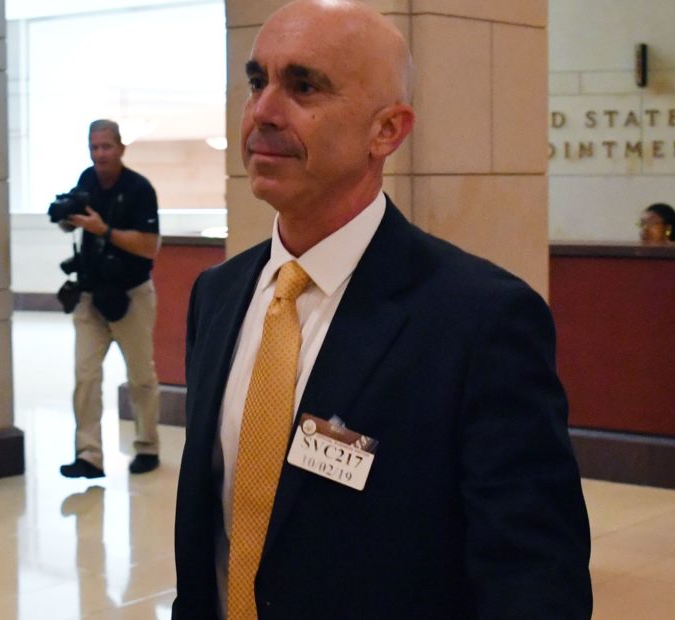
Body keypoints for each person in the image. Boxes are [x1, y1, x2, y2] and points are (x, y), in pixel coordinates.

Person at [172, 1, 592, 618]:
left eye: (304, 85)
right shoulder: (220, 294)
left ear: (387, 131)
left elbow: (533, 576)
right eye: (257, 81)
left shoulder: (479, 320)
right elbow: (214, 534)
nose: (262, 111)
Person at [58, 119, 161, 478]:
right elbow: (75, 221)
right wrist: (67, 219)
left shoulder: (139, 189)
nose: (99, 154)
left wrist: (105, 231)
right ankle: (88, 455)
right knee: (85, 376)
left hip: (131, 294)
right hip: (90, 293)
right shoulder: (87, 180)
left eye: (106, 147)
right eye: (94, 147)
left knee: (140, 377)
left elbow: (150, 247)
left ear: (120, 148)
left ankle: (147, 446)